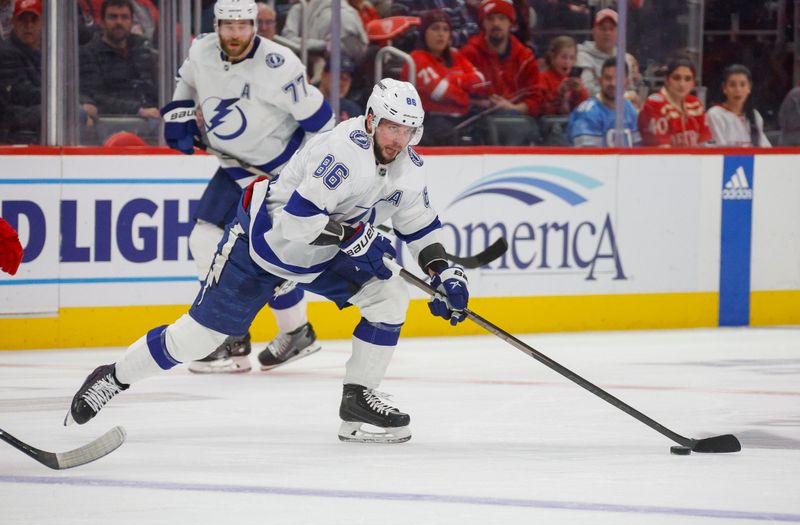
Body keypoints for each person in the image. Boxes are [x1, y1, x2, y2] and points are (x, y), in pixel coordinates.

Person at [66, 78, 470, 445]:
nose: (399, 139)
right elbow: (296, 224)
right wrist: (354, 236)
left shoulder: (411, 168)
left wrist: (445, 272)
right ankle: (113, 378)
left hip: (323, 254)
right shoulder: (343, 153)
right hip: (262, 247)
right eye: (391, 127)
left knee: (389, 296)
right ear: (370, 120)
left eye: (407, 130)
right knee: (199, 339)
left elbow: (419, 227)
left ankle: (358, 401)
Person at [161, 0, 334, 374]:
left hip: (276, 173)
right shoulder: (202, 49)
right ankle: (245, 334)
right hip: (233, 166)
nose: (235, 34)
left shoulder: (280, 65)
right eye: (228, 25)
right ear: (217, 24)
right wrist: (180, 113)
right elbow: (188, 79)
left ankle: (251, 334)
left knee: (264, 255)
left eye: (243, 25)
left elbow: (323, 122)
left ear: (255, 25)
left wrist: (303, 175)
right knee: (206, 239)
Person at [459, 0, 540, 144]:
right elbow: (459, 95)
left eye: (502, 18)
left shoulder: (525, 57)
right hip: (478, 125)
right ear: (483, 23)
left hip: (518, 125)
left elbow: (537, 98)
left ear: (511, 23)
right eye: (490, 19)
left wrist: (513, 108)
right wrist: (484, 103)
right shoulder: (468, 54)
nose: (496, 23)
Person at [404, 9, 488, 145]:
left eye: (445, 29)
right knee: (446, 133)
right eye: (435, 29)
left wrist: (452, 81)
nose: (441, 34)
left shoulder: (456, 55)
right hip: (431, 121)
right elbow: (441, 92)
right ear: (424, 33)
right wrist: (466, 96)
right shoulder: (416, 59)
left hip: (463, 117)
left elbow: (480, 82)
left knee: (489, 126)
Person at [79, 0, 159, 141]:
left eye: (124, 17)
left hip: (152, 122)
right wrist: (138, 110)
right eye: (113, 17)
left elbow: (161, 87)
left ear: (132, 21)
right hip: (110, 127)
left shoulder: (144, 50)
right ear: (102, 21)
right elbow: (96, 97)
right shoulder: (89, 53)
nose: (119, 22)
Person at [638, 57, 712, 147]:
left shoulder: (695, 103)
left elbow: (704, 143)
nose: (682, 84)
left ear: (693, 83)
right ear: (666, 80)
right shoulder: (654, 104)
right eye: (676, 78)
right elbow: (661, 149)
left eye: (687, 79)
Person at [567, 57, 640, 147]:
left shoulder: (629, 109)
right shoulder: (588, 112)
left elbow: (637, 149)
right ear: (600, 81)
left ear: (627, 83)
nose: (613, 83)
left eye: (618, 78)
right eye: (608, 78)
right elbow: (587, 156)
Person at [575, 8, 642, 107]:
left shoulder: (625, 58)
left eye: (611, 29)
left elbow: (633, 89)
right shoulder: (581, 56)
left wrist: (637, 79)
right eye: (603, 28)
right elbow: (587, 91)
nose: (607, 33)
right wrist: (625, 95)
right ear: (594, 32)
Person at [0, 0, 42, 144]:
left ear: (42, 23)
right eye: (23, 20)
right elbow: (22, 93)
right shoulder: (6, 53)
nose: (28, 26)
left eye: (34, 20)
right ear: (13, 22)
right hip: (14, 130)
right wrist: (66, 102)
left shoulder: (48, 55)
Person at [706, 64, 771, 148]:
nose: (738, 90)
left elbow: (765, 149)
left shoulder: (755, 115)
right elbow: (717, 150)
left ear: (749, 88)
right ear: (724, 88)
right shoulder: (715, 114)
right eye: (732, 85)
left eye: (743, 85)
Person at [531, 35, 588, 117]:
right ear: (553, 58)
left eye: (571, 58)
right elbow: (540, 110)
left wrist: (579, 92)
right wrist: (558, 94)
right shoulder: (542, 79)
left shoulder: (574, 81)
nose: (567, 62)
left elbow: (584, 110)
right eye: (563, 57)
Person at [317, 53, 362, 121]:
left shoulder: (352, 110)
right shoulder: (308, 101)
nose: (343, 83)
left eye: (347, 79)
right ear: (323, 75)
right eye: (339, 77)